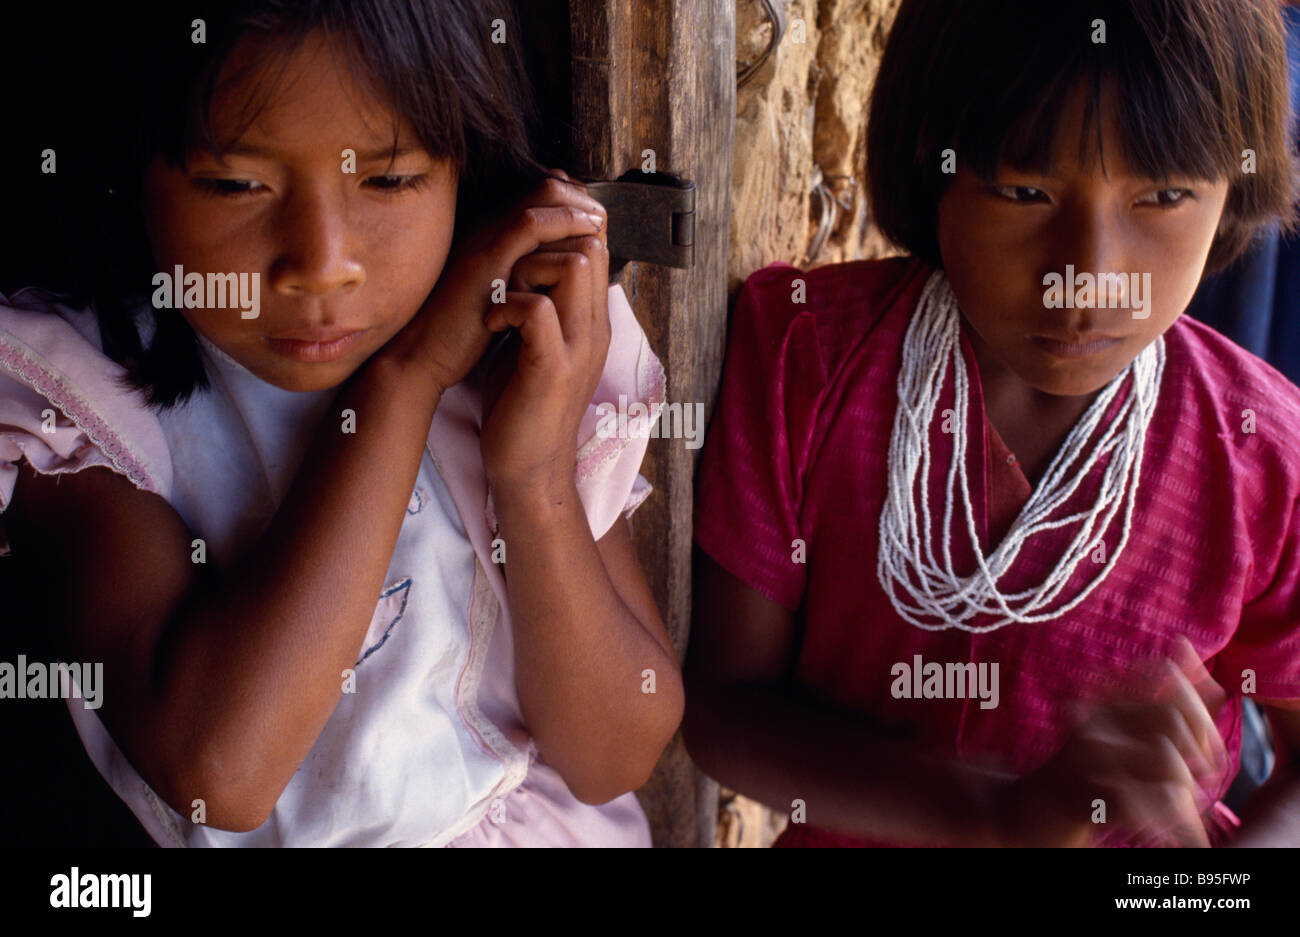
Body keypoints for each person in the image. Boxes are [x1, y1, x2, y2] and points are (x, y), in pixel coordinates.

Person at [0, 0, 682, 847]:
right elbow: (224, 774)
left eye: (390, 179)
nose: (323, 264)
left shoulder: (518, 362)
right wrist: (401, 386)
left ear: (466, 166)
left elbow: (616, 753)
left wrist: (535, 481)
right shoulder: (80, 408)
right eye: (235, 183)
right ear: (133, 170)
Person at [686, 0, 1300, 847]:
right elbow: (726, 709)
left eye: (1162, 195)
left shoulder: (1264, 454)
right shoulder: (808, 358)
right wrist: (998, 815)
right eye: (1024, 190)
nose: (1089, 276)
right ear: (924, 160)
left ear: (1235, 190)